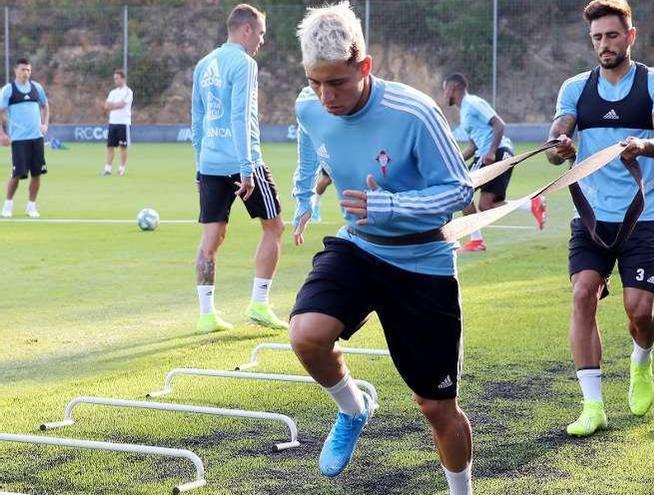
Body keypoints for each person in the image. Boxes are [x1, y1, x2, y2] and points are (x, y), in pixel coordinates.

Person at [289, 3, 474, 493]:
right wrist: (305, 193)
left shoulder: (414, 113)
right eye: (315, 82)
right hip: (358, 247)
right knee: (306, 335)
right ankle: (353, 409)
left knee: (437, 408)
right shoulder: (308, 106)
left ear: (363, 66)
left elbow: (460, 191)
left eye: (338, 83)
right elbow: (311, 143)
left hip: (422, 262)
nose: (325, 96)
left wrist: (392, 205)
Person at [545, 0, 654, 437]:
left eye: (612, 35)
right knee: (583, 293)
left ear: (630, 36)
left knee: (641, 311)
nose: (604, 44)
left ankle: (641, 361)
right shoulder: (575, 89)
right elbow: (555, 144)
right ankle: (593, 405)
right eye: (598, 37)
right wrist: (561, 147)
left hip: (642, 216)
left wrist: (641, 146)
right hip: (591, 218)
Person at [190, 3, 287, 333]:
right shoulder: (244, 64)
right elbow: (240, 117)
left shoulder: (204, 65)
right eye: (260, 33)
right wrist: (247, 170)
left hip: (210, 164)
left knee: (210, 239)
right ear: (246, 29)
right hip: (243, 162)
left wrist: (198, 167)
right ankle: (259, 304)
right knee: (274, 227)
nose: (261, 40)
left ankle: (206, 315)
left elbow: (197, 119)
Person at [442, 72, 547, 252]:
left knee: (461, 188)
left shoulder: (473, 103)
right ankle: (532, 204)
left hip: (496, 152)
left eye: (445, 89)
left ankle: (476, 240)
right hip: (493, 153)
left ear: (453, 88)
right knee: (486, 205)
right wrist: (452, 160)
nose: (444, 94)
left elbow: (499, 124)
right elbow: (473, 146)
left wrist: (491, 152)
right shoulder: (465, 112)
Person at [0, 58, 49, 219]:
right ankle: (8, 205)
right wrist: (2, 134)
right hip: (19, 140)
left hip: (36, 138)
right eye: (22, 70)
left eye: (28, 70)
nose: (25, 73)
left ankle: (31, 206)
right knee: (17, 174)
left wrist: (45, 124)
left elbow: (45, 105)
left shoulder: (36, 88)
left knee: (37, 174)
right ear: (15, 71)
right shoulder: (9, 90)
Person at [102, 69, 133, 176]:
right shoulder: (112, 92)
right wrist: (113, 105)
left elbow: (122, 104)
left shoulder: (128, 92)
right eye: (114, 78)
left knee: (123, 147)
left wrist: (112, 105)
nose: (115, 80)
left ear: (123, 79)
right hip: (112, 122)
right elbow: (106, 106)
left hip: (123, 123)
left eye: (117, 78)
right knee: (110, 146)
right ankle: (107, 169)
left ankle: (121, 168)